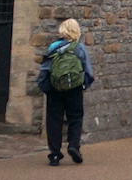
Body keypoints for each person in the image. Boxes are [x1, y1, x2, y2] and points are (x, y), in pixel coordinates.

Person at [38, 18, 95, 165]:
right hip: (74, 88)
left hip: (55, 88)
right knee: (75, 118)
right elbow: (88, 71)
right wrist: (83, 86)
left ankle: (55, 155)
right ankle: (73, 146)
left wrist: (44, 86)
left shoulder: (53, 47)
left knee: (54, 120)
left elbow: (45, 68)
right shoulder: (79, 48)